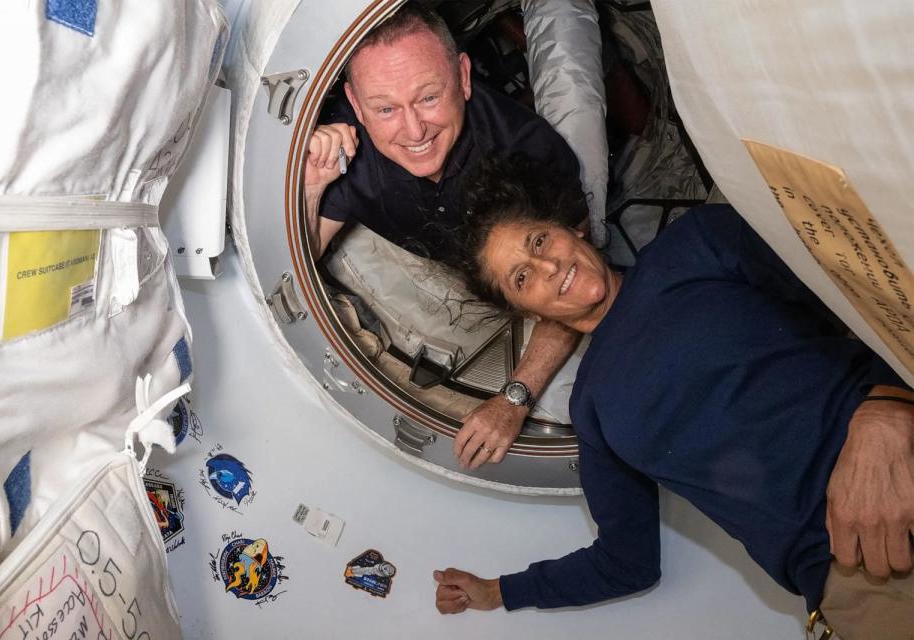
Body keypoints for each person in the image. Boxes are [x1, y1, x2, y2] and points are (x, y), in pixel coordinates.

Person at [432, 158, 914, 639]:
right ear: (525, 311)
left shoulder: (696, 243)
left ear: (571, 229)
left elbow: (868, 291)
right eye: (521, 277)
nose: (548, 266)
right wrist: (499, 591)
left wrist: (888, 408)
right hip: (856, 577)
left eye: (539, 241)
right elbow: (626, 562)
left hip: (897, 457)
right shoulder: (592, 409)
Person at [303, 3, 588, 469]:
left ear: (464, 76)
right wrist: (313, 185)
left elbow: (576, 285)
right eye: (386, 108)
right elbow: (302, 255)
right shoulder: (345, 148)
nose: (414, 130)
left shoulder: (528, 152)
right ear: (356, 105)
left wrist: (514, 399)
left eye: (429, 98)